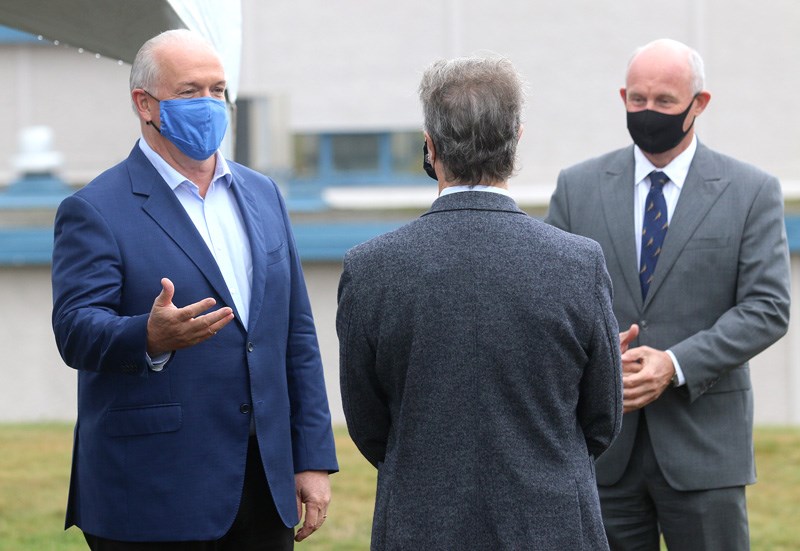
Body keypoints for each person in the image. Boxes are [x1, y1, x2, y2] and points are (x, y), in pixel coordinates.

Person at [51, 29, 338, 550]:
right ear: (145, 104)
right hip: (152, 489)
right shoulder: (95, 209)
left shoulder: (263, 192)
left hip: (263, 486)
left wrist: (312, 457)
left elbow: (295, 332)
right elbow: (74, 330)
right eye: (189, 92)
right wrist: (148, 336)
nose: (208, 104)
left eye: (217, 90)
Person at [337, 56, 623, 550]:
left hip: (420, 525)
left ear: (430, 145)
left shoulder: (371, 268)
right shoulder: (578, 263)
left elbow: (369, 425)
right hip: (550, 524)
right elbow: (602, 419)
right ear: (517, 139)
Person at [546, 38, 791, 550]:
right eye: (637, 100)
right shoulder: (577, 187)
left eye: (663, 102)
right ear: (623, 97)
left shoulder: (751, 191)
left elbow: (768, 307)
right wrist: (594, 356)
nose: (648, 112)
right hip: (601, 447)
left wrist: (674, 364)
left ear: (698, 104)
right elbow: (551, 301)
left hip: (706, 450)